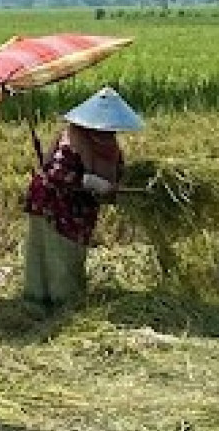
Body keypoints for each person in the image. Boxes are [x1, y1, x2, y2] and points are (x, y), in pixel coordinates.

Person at [22, 86, 144, 308]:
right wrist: (90, 182)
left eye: (110, 130)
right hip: (53, 204)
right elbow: (57, 175)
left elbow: (115, 178)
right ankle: (52, 304)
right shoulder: (73, 139)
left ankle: (61, 300)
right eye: (103, 129)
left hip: (78, 210)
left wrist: (118, 191)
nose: (107, 134)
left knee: (72, 254)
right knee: (56, 253)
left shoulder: (109, 147)